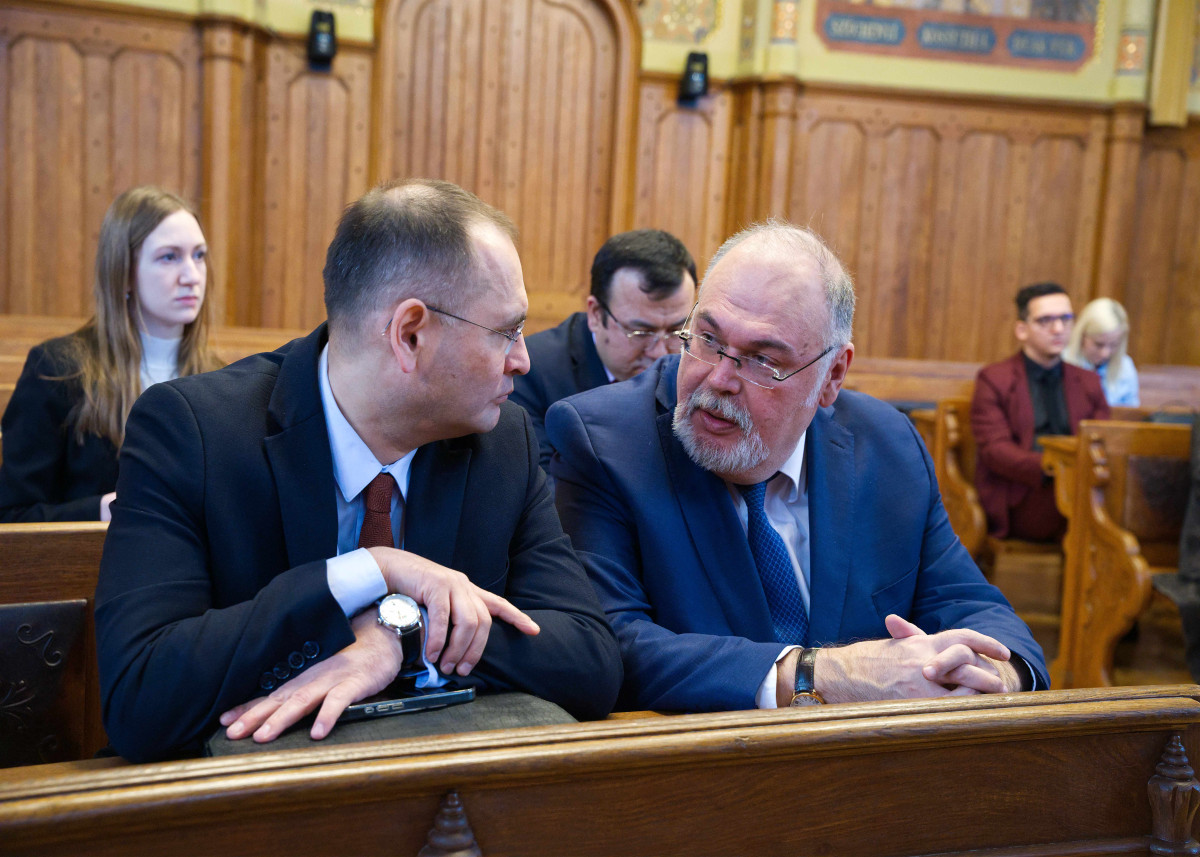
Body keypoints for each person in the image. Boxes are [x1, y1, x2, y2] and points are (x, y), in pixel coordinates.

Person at [95, 179, 622, 762]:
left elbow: (590, 661)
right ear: (410, 334)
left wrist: (401, 633)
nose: (522, 359)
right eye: (507, 331)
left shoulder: (502, 441)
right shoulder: (194, 433)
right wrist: (371, 571)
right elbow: (139, 698)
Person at [546, 221, 1047, 713]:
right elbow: (612, 644)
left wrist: (991, 675)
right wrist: (818, 676)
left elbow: (971, 603)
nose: (718, 378)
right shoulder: (604, 442)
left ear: (832, 376)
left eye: (763, 360)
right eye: (708, 339)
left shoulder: (887, 445)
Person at [0, 186, 220, 523]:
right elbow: (12, 516)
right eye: (169, 257)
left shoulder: (219, 379)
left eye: (199, 255)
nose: (192, 276)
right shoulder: (58, 370)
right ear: (124, 273)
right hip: (91, 556)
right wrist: (102, 510)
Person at [511, 229, 696, 468]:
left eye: (676, 330)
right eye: (641, 332)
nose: (660, 353)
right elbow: (539, 483)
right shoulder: (532, 373)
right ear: (596, 315)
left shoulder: (699, 371)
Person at [971, 283, 1110, 542]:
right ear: (1022, 330)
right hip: (1024, 492)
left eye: (1065, 319)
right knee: (1088, 519)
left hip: (1080, 488)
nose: (1058, 329)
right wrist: (1053, 467)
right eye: (1046, 320)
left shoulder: (1088, 381)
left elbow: (1103, 439)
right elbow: (995, 450)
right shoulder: (995, 379)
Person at [1063, 297, 1140, 407]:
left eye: (1114, 345)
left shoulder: (1125, 367)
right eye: (1099, 344)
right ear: (1082, 335)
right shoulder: (1062, 361)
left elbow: (1131, 412)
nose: (1105, 353)